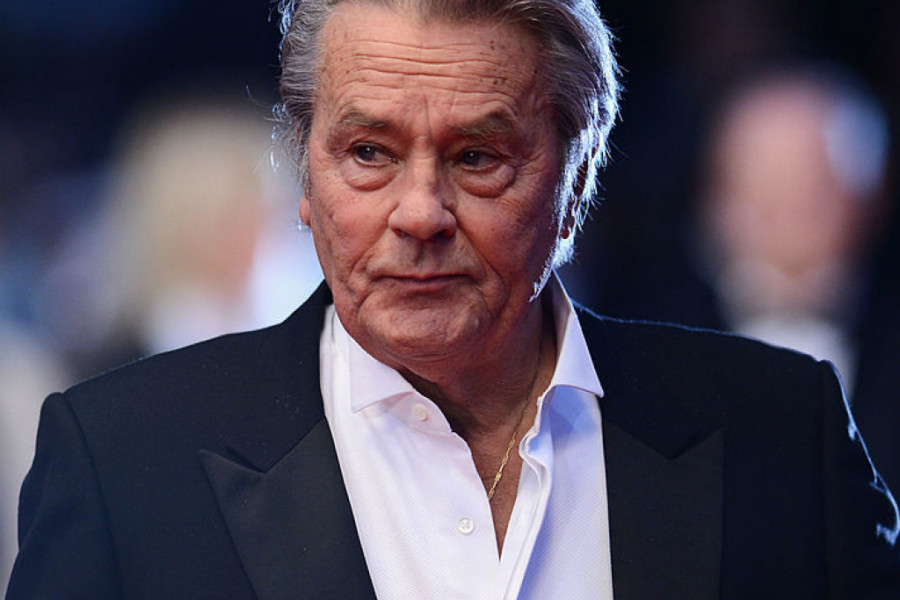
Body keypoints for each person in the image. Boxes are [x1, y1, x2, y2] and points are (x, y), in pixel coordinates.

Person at [6, 0, 899, 598]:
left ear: (579, 179)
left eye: (477, 157)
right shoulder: (122, 462)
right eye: (369, 153)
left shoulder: (785, 432)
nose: (420, 213)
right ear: (304, 173)